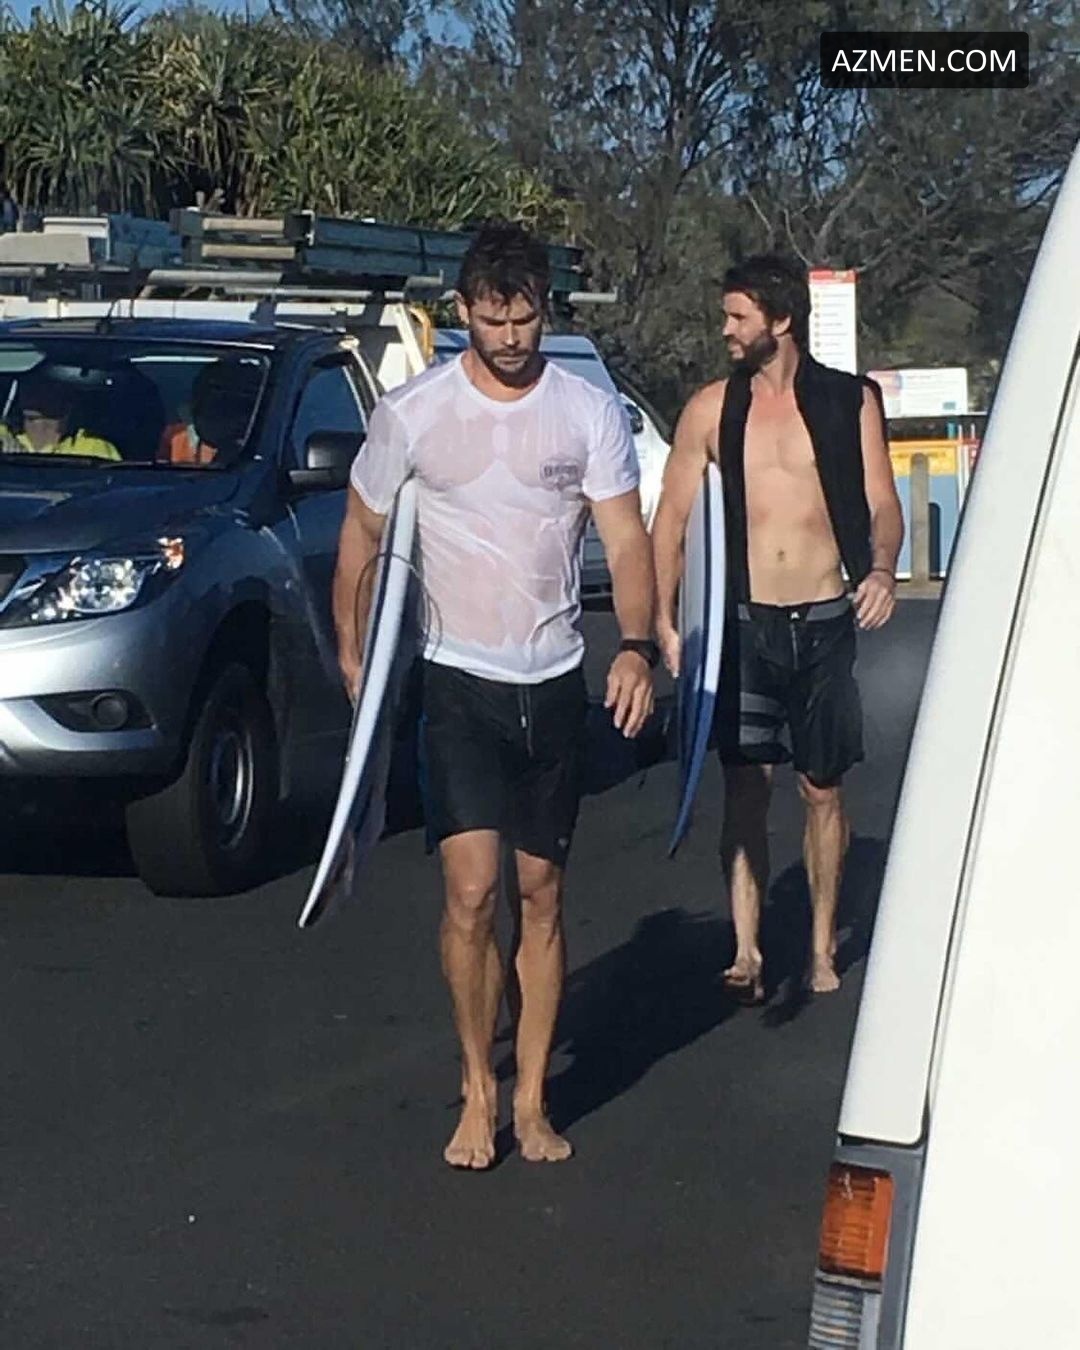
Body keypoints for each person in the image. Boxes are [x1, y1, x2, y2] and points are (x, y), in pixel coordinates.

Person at [333, 220, 657, 1169]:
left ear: (544, 311)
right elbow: (362, 533)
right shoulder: (414, 413)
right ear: (462, 312)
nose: (510, 338)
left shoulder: (586, 411)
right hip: (458, 678)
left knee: (540, 894)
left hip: (549, 679)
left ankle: (532, 1101)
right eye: (492, 319)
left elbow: (627, 540)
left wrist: (637, 648)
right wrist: (355, 654)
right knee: (472, 893)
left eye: (524, 319)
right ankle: (478, 1089)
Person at [651, 253, 903, 1001]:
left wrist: (882, 568)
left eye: (738, 317)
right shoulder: (710, 409)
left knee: (822, 790)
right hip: (744, 624)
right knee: (745, 788)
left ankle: (822, 945)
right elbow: (670, 520)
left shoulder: (850, 401)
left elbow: (882, 502)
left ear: (781, 320)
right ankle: (747, 948)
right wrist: (664, 619)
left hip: (824, 618)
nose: (725, 330)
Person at [0, 367, 120, 461]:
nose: (29, 394)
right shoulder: (3, 437)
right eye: (26, 384)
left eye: (41, 387)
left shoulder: (94, 449)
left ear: (66, 397)